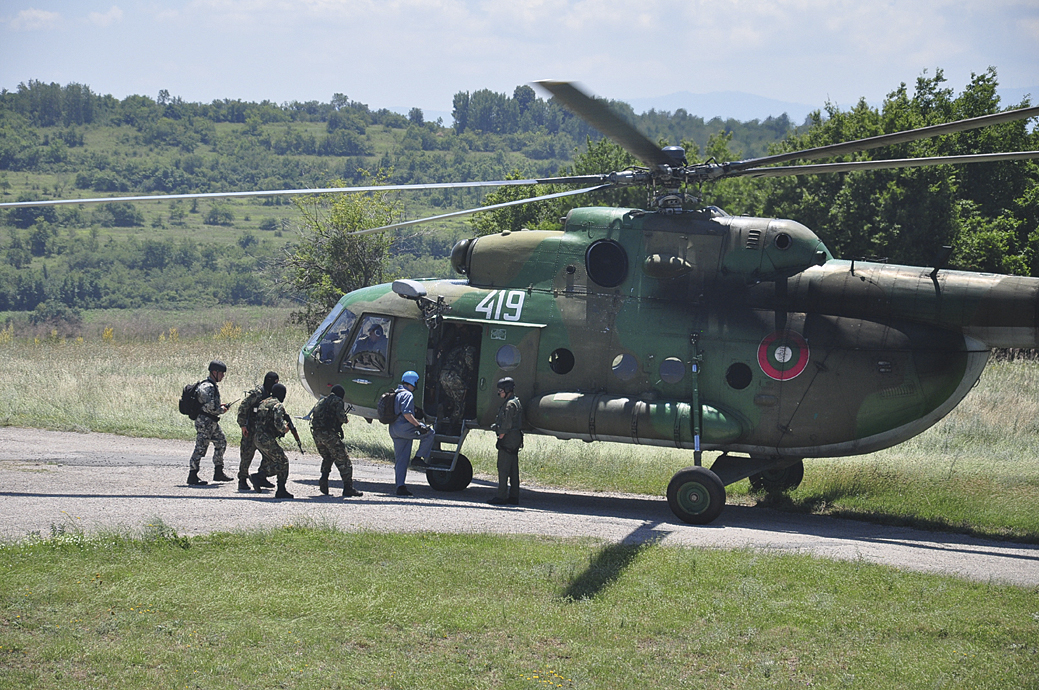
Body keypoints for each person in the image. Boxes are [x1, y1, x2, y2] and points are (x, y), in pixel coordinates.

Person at [388, 370, 434, 496]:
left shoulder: (396, 393)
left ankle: (400, 486)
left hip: (393, 429)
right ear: (413, 381)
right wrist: (418, 426)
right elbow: (407, 414)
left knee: (401, 459)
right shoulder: (407, 395)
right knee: (430, 433)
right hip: (404, 428)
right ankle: (419, 458)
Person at [311, 384, 362, 498]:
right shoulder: (338, 401)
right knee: (344, 461)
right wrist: (345, 419)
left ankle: (323, 480)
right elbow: (341, 417)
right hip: (329, 434)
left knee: (328, 457)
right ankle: (348, 488)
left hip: (317, 434)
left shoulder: (322, 401)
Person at [187, 360, 233, 485]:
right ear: (214, 372)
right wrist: (222, 409)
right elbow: (211, 408)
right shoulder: (209, 387)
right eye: (222, 373)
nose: (223, 376)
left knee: (221, 442)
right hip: (205, 422)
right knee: (201, 448)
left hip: (210, 422)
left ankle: (218, 472)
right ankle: (192, 475)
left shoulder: (208, 385)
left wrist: (219, 406)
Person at [249, 383, 294, 499]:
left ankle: (261, 477)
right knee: (283, 462)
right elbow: (278, 424)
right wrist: (285, 429)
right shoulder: (277, 405)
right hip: (266, 439)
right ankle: (278, 488)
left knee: (270, 459)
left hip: (257, 438)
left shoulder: (263, 402)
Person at [236, 371, 279, 492]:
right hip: (250, 430)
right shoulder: (257, 394)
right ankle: (242, 479)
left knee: (268, 455)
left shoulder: (270, 395)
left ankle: (261, 476)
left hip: (263, 431)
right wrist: (243, 425)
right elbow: (243, 407)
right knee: (246, 455)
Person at [489, 377, 523, 505]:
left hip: (508, 438)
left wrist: (500, 437)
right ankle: (514, 496)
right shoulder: (516, 401)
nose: (499, 393)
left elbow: (506, 425)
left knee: (503, 468)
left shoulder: (509, 405)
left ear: (507, 390)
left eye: (501, 390)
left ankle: (501, 496)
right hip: (516, 438)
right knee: (513, 468)